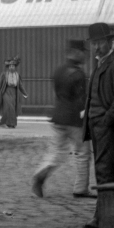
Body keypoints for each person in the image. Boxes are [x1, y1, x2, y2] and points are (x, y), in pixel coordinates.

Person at [82, 21, 114, 228]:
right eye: (94, 43)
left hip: (106, 125)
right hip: (95, 125)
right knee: (104, 169)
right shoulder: (101, 64)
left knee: (104, 170)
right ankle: (109, 212)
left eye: (100, 42)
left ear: (110, 41)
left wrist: (105, 121)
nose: (96, 47)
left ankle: (104, 215)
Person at [32, 39, 92, 199]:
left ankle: (40, 174)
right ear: (76, 52)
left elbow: (58, 93)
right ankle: (81, 189)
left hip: (58, 116)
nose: (85, 56)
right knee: (83, 153)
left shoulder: (58, 70)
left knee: (57, 152)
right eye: (83, 53)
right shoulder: (79, 74)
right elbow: (81, 100)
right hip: (75, 120)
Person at [0, 57, 28, 128]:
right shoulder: (4, 74)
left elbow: (20, 85)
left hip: (14, 93)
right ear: (8, 67)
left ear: (15, 67)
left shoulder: (17, 75)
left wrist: (25, 93)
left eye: (13, 66)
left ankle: (12, 124)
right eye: (10, 66)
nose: (11, 67)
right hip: (6, 92)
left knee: (12, 108)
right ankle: (4, 123)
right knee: (7, 107)